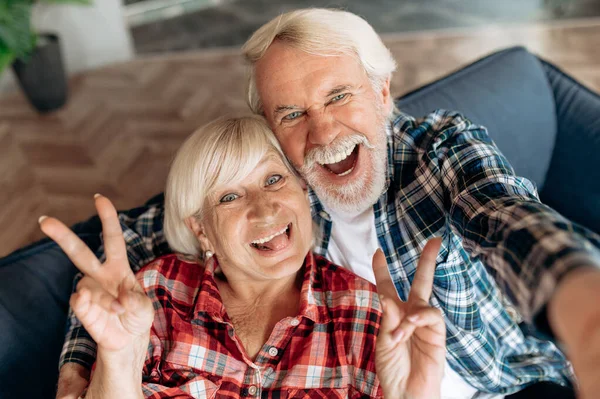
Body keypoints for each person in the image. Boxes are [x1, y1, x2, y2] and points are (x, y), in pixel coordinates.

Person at [55, 8, 600, 399]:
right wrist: (82, 363)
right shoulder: (286, 182)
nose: (322, 132)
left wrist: (588, 320)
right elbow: (127, 242)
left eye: (338, 96)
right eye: (291, 114)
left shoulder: (442, 157)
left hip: (508, 382)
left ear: (382, 92)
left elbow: (511, 220)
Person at [41, 116, 446, 398]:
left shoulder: (365, 312)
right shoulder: (155, 294)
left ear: (304, 191)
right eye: (230, 196)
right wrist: (118, 356)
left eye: (274, 179)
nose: (265, 210)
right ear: (201, 229)